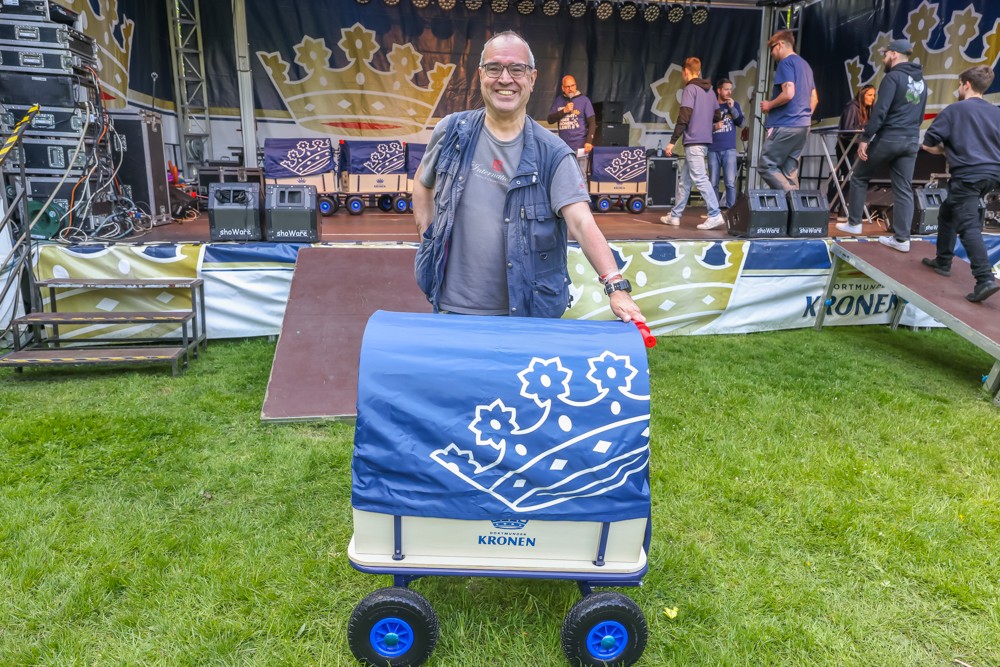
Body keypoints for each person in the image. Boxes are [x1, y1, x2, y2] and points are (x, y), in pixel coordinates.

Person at [412, 31, 644, 322]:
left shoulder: (554, 154)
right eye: (494, 68)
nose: (505, 79)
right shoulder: (451, 131)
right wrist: (428, 242)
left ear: (532, 78)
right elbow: (422, 184)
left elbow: (582, 222)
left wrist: (616, 285)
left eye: (516, 69)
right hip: (451, 307)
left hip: (526, 316)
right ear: (481, 75)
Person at [835, 38, 927, 252]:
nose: (884, 58)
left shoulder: (893, 77)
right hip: (911, 138)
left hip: (890, 137)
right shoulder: (922, 82)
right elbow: (921, 114)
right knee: (904, 188)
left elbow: (880, 112)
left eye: (885, 54)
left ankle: (855, 223)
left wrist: (866, 139)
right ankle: (902, 239)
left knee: (858, 176)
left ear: (894, 54)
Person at [920, 66, 1000, 303]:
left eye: (959, 84)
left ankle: (984, 278)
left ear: (966, 84)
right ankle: (943, 261)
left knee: (967, 225)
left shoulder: (954, 110)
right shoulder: (996, 113)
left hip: (968, 175)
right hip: (993, 174)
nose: (958, 88)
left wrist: (947, 150)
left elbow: (929, 144)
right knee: (947, 211)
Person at [658, 57, 725, 230]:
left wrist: (672, 142)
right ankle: (675, 215)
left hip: (694, 141)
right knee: (685, 180)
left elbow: (684, 116)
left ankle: (715, 213)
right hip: (703, 141)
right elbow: (717, 116)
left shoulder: (690, 89)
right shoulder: (710, 92)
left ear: (686, 71)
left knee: (700, 179)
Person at [758, 30, 817, 191]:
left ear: (781, 44)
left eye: (772, 48)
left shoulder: (786, 63)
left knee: (766, 165)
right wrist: (803, 117)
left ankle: (791, 197)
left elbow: (789, 92)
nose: (771, 53)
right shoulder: (805, 66)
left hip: (786, 124)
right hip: (803, 126)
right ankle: (794, 213)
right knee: (789, 171)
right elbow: (814, 99)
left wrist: (769, 105)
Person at [828, 85, 876, 217]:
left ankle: (833, 205)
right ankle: (828, 203)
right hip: (847, 148)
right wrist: (861, 140)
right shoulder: (852, 107)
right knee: (849, 177)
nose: (873, 98)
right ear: (862, 95)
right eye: (870, 95)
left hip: (856, 148)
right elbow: (847, 131)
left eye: (874, 95)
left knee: (853, 178)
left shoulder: (867, 110)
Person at [547, 75, 596, 176]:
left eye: (572, 86)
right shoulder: (559, 100)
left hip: (580, 146)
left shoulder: (584, 100)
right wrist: (564, 111)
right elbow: (550, 120)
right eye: (567, 87)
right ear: (563, 88)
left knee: (581, 177)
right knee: (565, 176)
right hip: (564, 147)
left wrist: (589, 142)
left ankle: (582, 193)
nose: (570, 89)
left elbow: (592, 123)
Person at [707, 78, 745, 210]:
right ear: (718, 90)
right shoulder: (711, 106)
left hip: (729, 149)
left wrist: (732, 108)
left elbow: (741, 123)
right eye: (726, 89)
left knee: (730, 183)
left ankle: (731, 212)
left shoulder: (735, 105)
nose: (729, 92)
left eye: (730, 89)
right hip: (713, 149)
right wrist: (714, 127)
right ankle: (713, 212)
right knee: (713, 183)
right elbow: (703, 127)